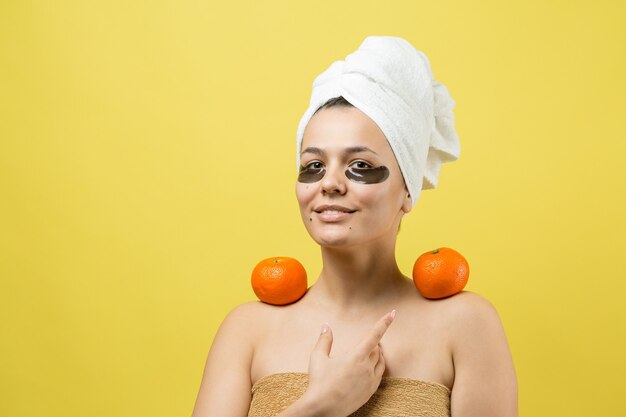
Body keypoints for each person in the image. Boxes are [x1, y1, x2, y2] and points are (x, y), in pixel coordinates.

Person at [191, 36, 518, 417]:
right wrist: (323, 405)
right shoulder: (247, 329)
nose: (330, 183)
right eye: (313, 165)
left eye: (360, 166)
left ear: (407, 190)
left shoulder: (465, 324)